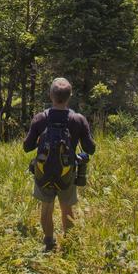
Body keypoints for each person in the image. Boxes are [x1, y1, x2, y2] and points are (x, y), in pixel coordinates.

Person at [23, 77, 96, 252]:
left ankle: (49, 243)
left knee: (46, 208)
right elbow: (90, 149)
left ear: (51, 95)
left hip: (43, 172)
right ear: (69, 96)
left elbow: (27, 147)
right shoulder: (78, 119)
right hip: (67, 173)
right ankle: (69, 244)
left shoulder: (40, 119)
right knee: (66, 208)